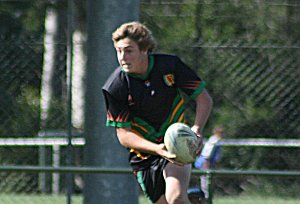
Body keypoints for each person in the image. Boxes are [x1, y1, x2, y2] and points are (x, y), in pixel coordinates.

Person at [102, 21, 213, 204]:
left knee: (176, 198)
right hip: (144, 156)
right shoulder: (116, 86)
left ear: (145, 49)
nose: (122, 57)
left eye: (128, 51)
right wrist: (157, 149)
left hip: (176, 144)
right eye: (119, 51)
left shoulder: (169, 66)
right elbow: (124, 135)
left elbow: (203, 98)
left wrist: (197, 129)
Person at [194, 126, 224, 199]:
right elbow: (207, 154)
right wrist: (206, 165)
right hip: (205, 163)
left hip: (209, 163)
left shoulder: (216, 140)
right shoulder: (214, 140)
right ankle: (206, 198)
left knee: (208, 182)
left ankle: (207, 197)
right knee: (205, 182)